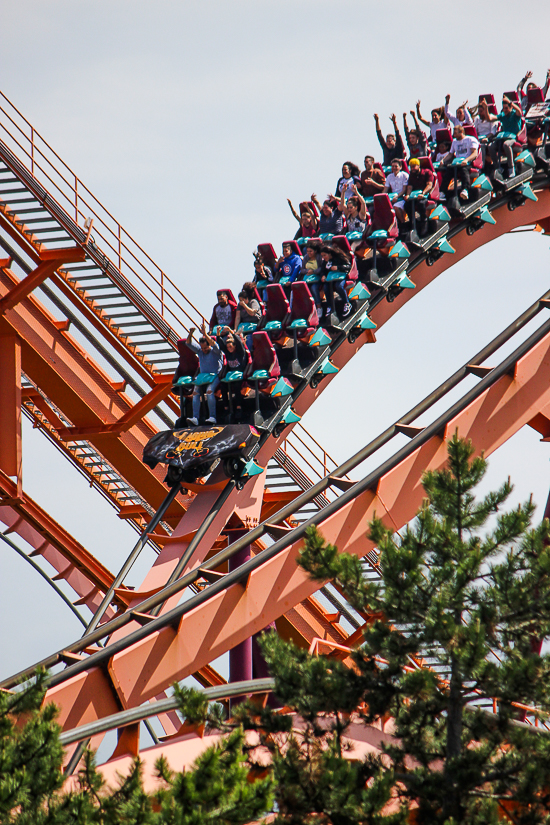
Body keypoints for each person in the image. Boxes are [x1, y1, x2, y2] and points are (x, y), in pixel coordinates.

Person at [185, 322, 224, 425]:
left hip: (215, 376)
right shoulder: (200, 351)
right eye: (202, 348)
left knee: (209, 392)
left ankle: (212, 417)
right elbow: (188, 343)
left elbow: (214, 345)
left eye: (205, 348)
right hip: (203, 377)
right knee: (195, 392)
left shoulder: (215, 351)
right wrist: (190, 333)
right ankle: (195, 418)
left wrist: (205, 334)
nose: (203, 350)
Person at [217, 326, 249, 422]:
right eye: (228, 347)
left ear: (235, 346)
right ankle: (226, 408)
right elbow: (220, 344)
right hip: (231, 376)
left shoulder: (240, 352)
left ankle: (239, 408)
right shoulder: (228, 352)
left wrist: (231, 331)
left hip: (240, 376)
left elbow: (239, 342)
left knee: (236, 386)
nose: (229, 348)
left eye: (230, 347)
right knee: (223, 387)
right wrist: (218, 333)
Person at [440, 124, 480, 200]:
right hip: (457, 163)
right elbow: (451, 154)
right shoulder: (454, 142)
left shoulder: (470, 139)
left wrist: (466, 160)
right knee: (448, 171)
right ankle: (442, 192)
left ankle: (465, 190)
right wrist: (443, 160)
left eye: (455, 133)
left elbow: (475, 153)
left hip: (468, 162)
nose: (454, 135)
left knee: (463, 170)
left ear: (461, 132)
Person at [487, 96, 523, 178]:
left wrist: (510, 102)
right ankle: (498, 167)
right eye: (503, 108)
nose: (505, 110)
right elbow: (490, 118)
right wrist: (486, 109)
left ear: (510, 108)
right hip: (503, 137)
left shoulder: (515, 115)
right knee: (490, 146)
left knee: (506, 145)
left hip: (513, 138)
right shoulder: (502, 115)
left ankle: (511, 168)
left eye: (506, 108)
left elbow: (519, 111)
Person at [318, 244, 352, 320]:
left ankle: (347, 303)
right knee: (326, 287)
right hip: (331, 278)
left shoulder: (339, 257)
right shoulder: (325, 262)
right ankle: (330, 306)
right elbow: (323, 270)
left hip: (340, 276)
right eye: (322, 256)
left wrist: (338, 267)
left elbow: (348, 266)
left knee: (339, 286)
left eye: (325, 255)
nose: (323, 258)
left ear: (329, 254)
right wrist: (323, 275)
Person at [403, 158, 434, 236]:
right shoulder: (411, 175)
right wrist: (407, 195)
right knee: (407, 205)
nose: (412, 168)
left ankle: (424, 221)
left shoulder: (427, 172)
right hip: (414, 196)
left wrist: (423, 193)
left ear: (418, 166)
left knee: (421, 204)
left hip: (425, 195)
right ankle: (413, 222)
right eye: (411, 167)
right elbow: (410, 187)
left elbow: (429, 185)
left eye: (414, 166)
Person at [300, 239, 324, 312]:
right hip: (308, 278)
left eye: (310, 251)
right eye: (307, 251)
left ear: (315, 251)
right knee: (304, 289)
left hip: (317, 278)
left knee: (314, 288)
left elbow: (321, 268)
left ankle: (319, 307)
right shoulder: (306, 257)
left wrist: (314, 271)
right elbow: (302, 270)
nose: (309, 253)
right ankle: (308, 308)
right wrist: (308, 271)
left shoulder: (319, 257)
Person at [384, 158, 409, 222]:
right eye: (393, 166)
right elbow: (385, 189)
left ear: (400, 167)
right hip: (392, 198)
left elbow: (404, 189)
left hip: (402, 198)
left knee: (396, 207)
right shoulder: (389, 176)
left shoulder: (404, 175)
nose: (394, 168)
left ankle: (403, 224)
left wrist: (397, 196)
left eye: (396, 166)